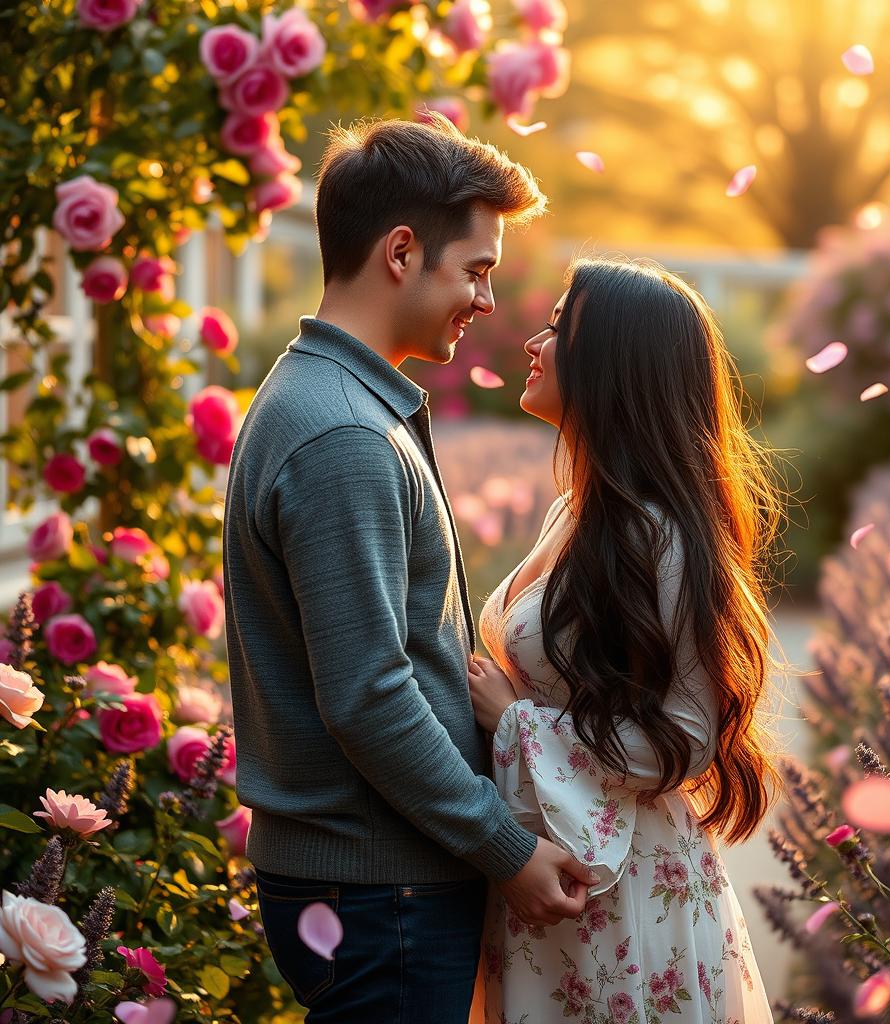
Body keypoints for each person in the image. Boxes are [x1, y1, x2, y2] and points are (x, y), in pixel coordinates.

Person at [222, 116, 601, 1024]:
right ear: (401, 252)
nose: (485, 297)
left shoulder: (329, 398)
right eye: (475, 268)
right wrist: (504, 847)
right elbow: (368, 691)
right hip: (377, 889)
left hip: (364, 880)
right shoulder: (344, 432)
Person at [467, 257, 783, 1023]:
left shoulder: (658, 537)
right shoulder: (574, 512)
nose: (535, 342)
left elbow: (684, 737)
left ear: (613, 361)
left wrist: (517, 719)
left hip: (625, 899)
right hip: (565, 876)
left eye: (559, 327)